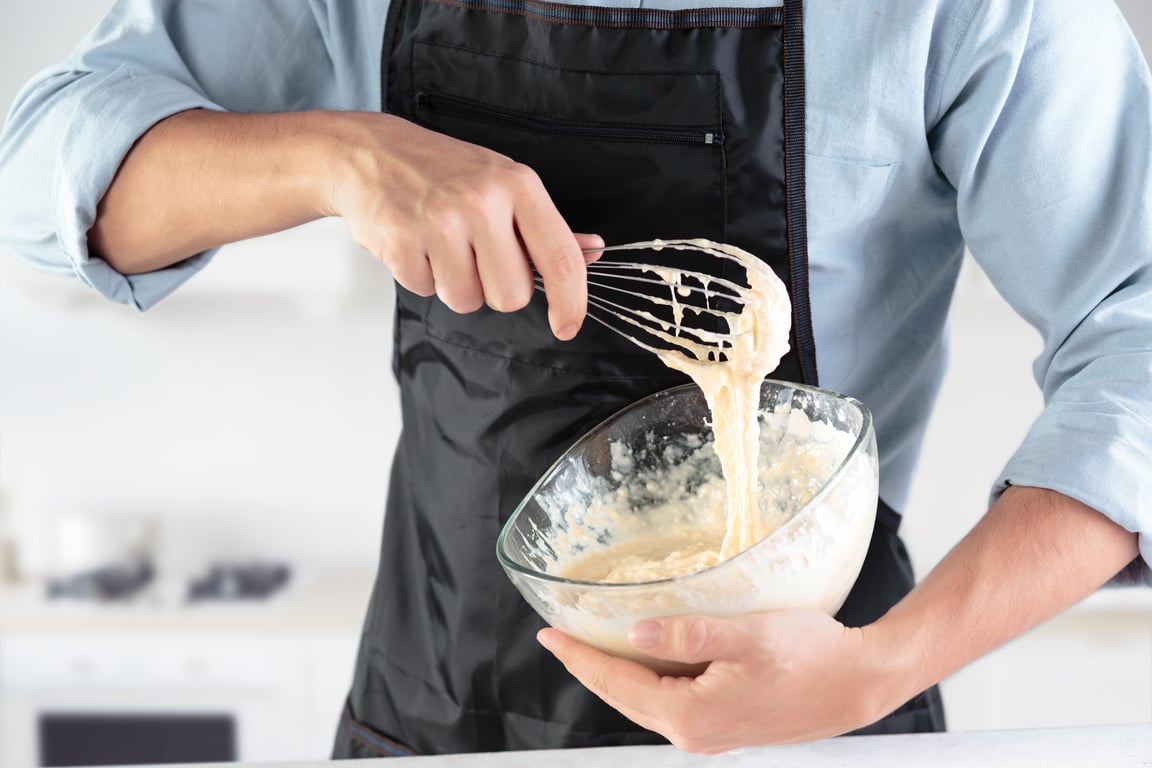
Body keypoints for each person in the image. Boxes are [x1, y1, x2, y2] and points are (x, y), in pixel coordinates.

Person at [1, 0, 1148, 757]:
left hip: (813, 708)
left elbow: (1137, 342)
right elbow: (44, 166)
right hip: (439, 702)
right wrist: (338, 156)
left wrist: (875, 672)